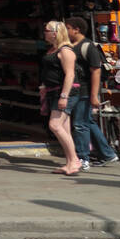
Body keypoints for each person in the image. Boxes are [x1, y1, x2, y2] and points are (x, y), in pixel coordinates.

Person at [64, 16, 119, 169]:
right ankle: (108, 153)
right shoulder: (69, 45)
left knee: (79, 124)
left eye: (67, 28)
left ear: (77, 29)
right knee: (87, 121)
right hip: (76, 90)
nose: (65, 31)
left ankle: (83, 158)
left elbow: (96, 71)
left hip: (84, 91)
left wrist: (94, 95)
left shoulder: (88, 46)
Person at [40, 20, 82, 176]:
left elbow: (70, 74)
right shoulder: (53, 50)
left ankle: (75, 160)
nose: (45, 32)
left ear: (55, 33)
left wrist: (64, 96)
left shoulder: (66, 51)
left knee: (55, 125)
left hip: (64, 92)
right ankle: (70, 161)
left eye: (47, 30)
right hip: (53, 91)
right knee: (64, 128)